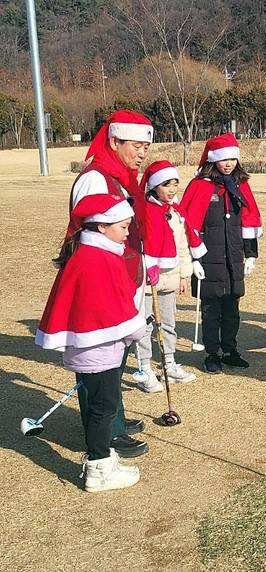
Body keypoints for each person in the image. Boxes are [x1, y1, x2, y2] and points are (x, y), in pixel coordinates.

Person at [36, 194, 147, 491]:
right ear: (101, 226)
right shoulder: (97, 258)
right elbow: (109, 306)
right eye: (123, 227)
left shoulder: (92, 253)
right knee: (103, 407)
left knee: (102, 405)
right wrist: (137, 330)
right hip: (97, 350)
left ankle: (104, 459)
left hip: (95, 347)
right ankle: (98, 468)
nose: (127, 233)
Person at [64, 109, 153, 458]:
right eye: (136, 145)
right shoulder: (96, 179)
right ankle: (104, 432)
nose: (142, 152)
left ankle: (113, 418)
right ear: (114, 141)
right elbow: (87, 235)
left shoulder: (122, 177)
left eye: (146, 145)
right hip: (103, 283)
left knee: (116, 356)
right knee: (99, 360)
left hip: (122, 277)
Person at [180, 133, 262, 373]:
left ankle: (230, 349)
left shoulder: (241, 186)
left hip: (233, 258)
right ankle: (212, 352)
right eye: (223, 159)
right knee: (211, 310)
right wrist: (194, 258)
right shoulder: (199, 186)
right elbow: (189, 224)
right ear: (213, 160)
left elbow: (249, 221)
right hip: (208, 259)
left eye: (232, 159)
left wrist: (251, 254)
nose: (228, 164)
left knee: (232, 309)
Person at [136, 160, 207, 391]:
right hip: (148, 281)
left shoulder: (176, 211)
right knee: (145, 326)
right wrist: (148, 267)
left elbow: (183, 244)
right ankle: (144, 367)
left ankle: (168, 363)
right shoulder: (144, 210)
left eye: (175, 184)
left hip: (170, 278)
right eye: (167, 185)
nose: (172, 190)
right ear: (155, 186)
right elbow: (140, 244)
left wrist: (185, 275)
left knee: (168, 323)